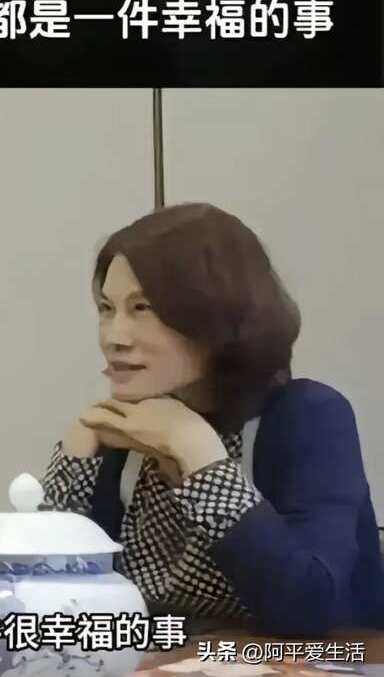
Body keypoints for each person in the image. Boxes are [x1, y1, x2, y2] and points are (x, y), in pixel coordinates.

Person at [41, 203, 384, 636]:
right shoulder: (124, 431)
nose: (114, 337)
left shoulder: (308, 416)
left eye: (142, 308)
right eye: (107, 309)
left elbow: (311, 608)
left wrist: (199, 454)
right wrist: (74, 463)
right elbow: (51, 607)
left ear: (217, 317)